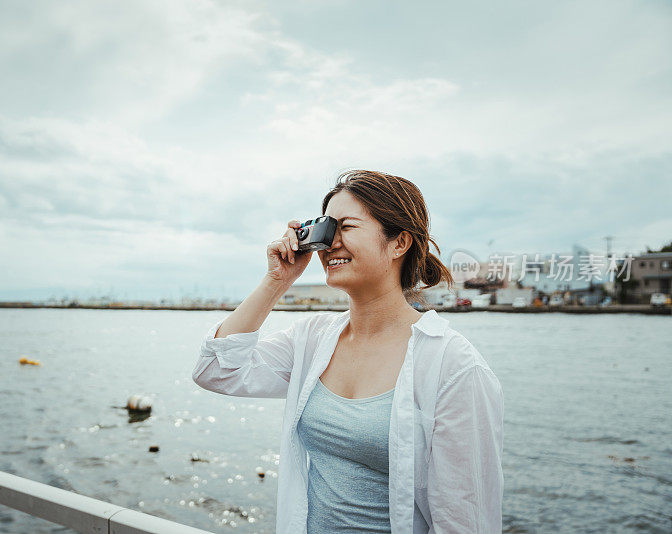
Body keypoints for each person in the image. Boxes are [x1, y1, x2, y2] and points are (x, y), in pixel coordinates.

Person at [192, 170, 504, 533]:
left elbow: (465, 519)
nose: (329, 244)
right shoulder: (312, 338)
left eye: (347, 227)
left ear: (399, 243)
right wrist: (278, 280)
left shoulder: (453, 366)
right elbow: (216, 370)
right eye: (326, 229)